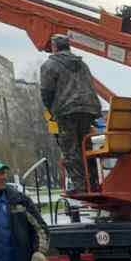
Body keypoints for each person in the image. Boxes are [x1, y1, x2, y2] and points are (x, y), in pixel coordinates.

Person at [39, 35, 101, 209]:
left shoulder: (50, 65)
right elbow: (90, 86)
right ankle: (93, 184)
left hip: (67, 111)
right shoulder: (82, 65)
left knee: (70, 149)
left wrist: (51, 109)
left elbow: (46, 91)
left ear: (54, 46)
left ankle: (80, 186)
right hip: (88, 109)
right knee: (86, 148)